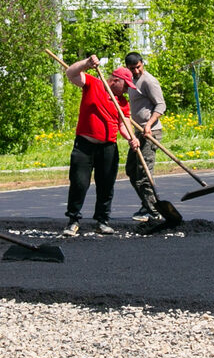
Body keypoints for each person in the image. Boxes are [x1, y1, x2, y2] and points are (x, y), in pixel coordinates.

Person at [61, 55, 140, 237]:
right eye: (126, 85)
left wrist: (131, 138)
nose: (127, 90)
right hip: (84, 146)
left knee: (106, 185)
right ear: (116, 81)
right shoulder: (93, 84)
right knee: (79, 183)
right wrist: (86, 64)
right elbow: (70, 73)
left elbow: (124, 123)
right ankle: (73, 221)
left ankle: (102, 221)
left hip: (108, 148)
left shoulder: (122, 103)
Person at [123, 51, 167, 223]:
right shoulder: (132, 81)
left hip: (151, 133)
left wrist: (149, 124)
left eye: (138, 67)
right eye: (132, 68)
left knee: (144, 174)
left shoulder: (149, 81)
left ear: (142, 64)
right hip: (138, 133)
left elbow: (161, 105)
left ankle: (154, 211)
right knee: (131, 170)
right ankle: (146, 203)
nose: (135, 71)